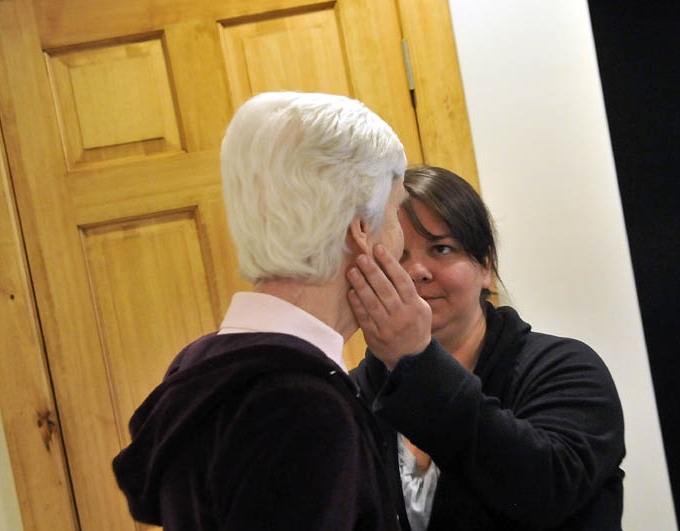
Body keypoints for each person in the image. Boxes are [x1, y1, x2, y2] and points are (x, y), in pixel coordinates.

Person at [112, 92, 431, 530]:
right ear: (360, 229)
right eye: (397, 214)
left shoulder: (202, 366)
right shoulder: (302, 404)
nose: (404, 246)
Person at [347, 166, 625, 530]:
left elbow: (544, 491)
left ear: (486, 266)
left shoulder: (566, 369)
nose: (417, 271)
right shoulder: (353, 394)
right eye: (398, 254)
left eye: (441, 248)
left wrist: (414, 360)